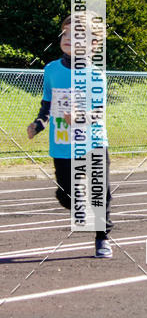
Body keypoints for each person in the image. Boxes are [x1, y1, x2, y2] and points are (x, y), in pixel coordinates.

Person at [27, 14, 113, 258]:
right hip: (63, 144)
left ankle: (102, 238)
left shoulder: (96, 74)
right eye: (65, 34)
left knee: (100, 192)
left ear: (93, 44)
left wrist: (79, 117)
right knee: (66, 196)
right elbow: (47, 103)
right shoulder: (51, 70)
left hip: (93, 142)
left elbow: (98, 113)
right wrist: (39, 124)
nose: (67, 39)